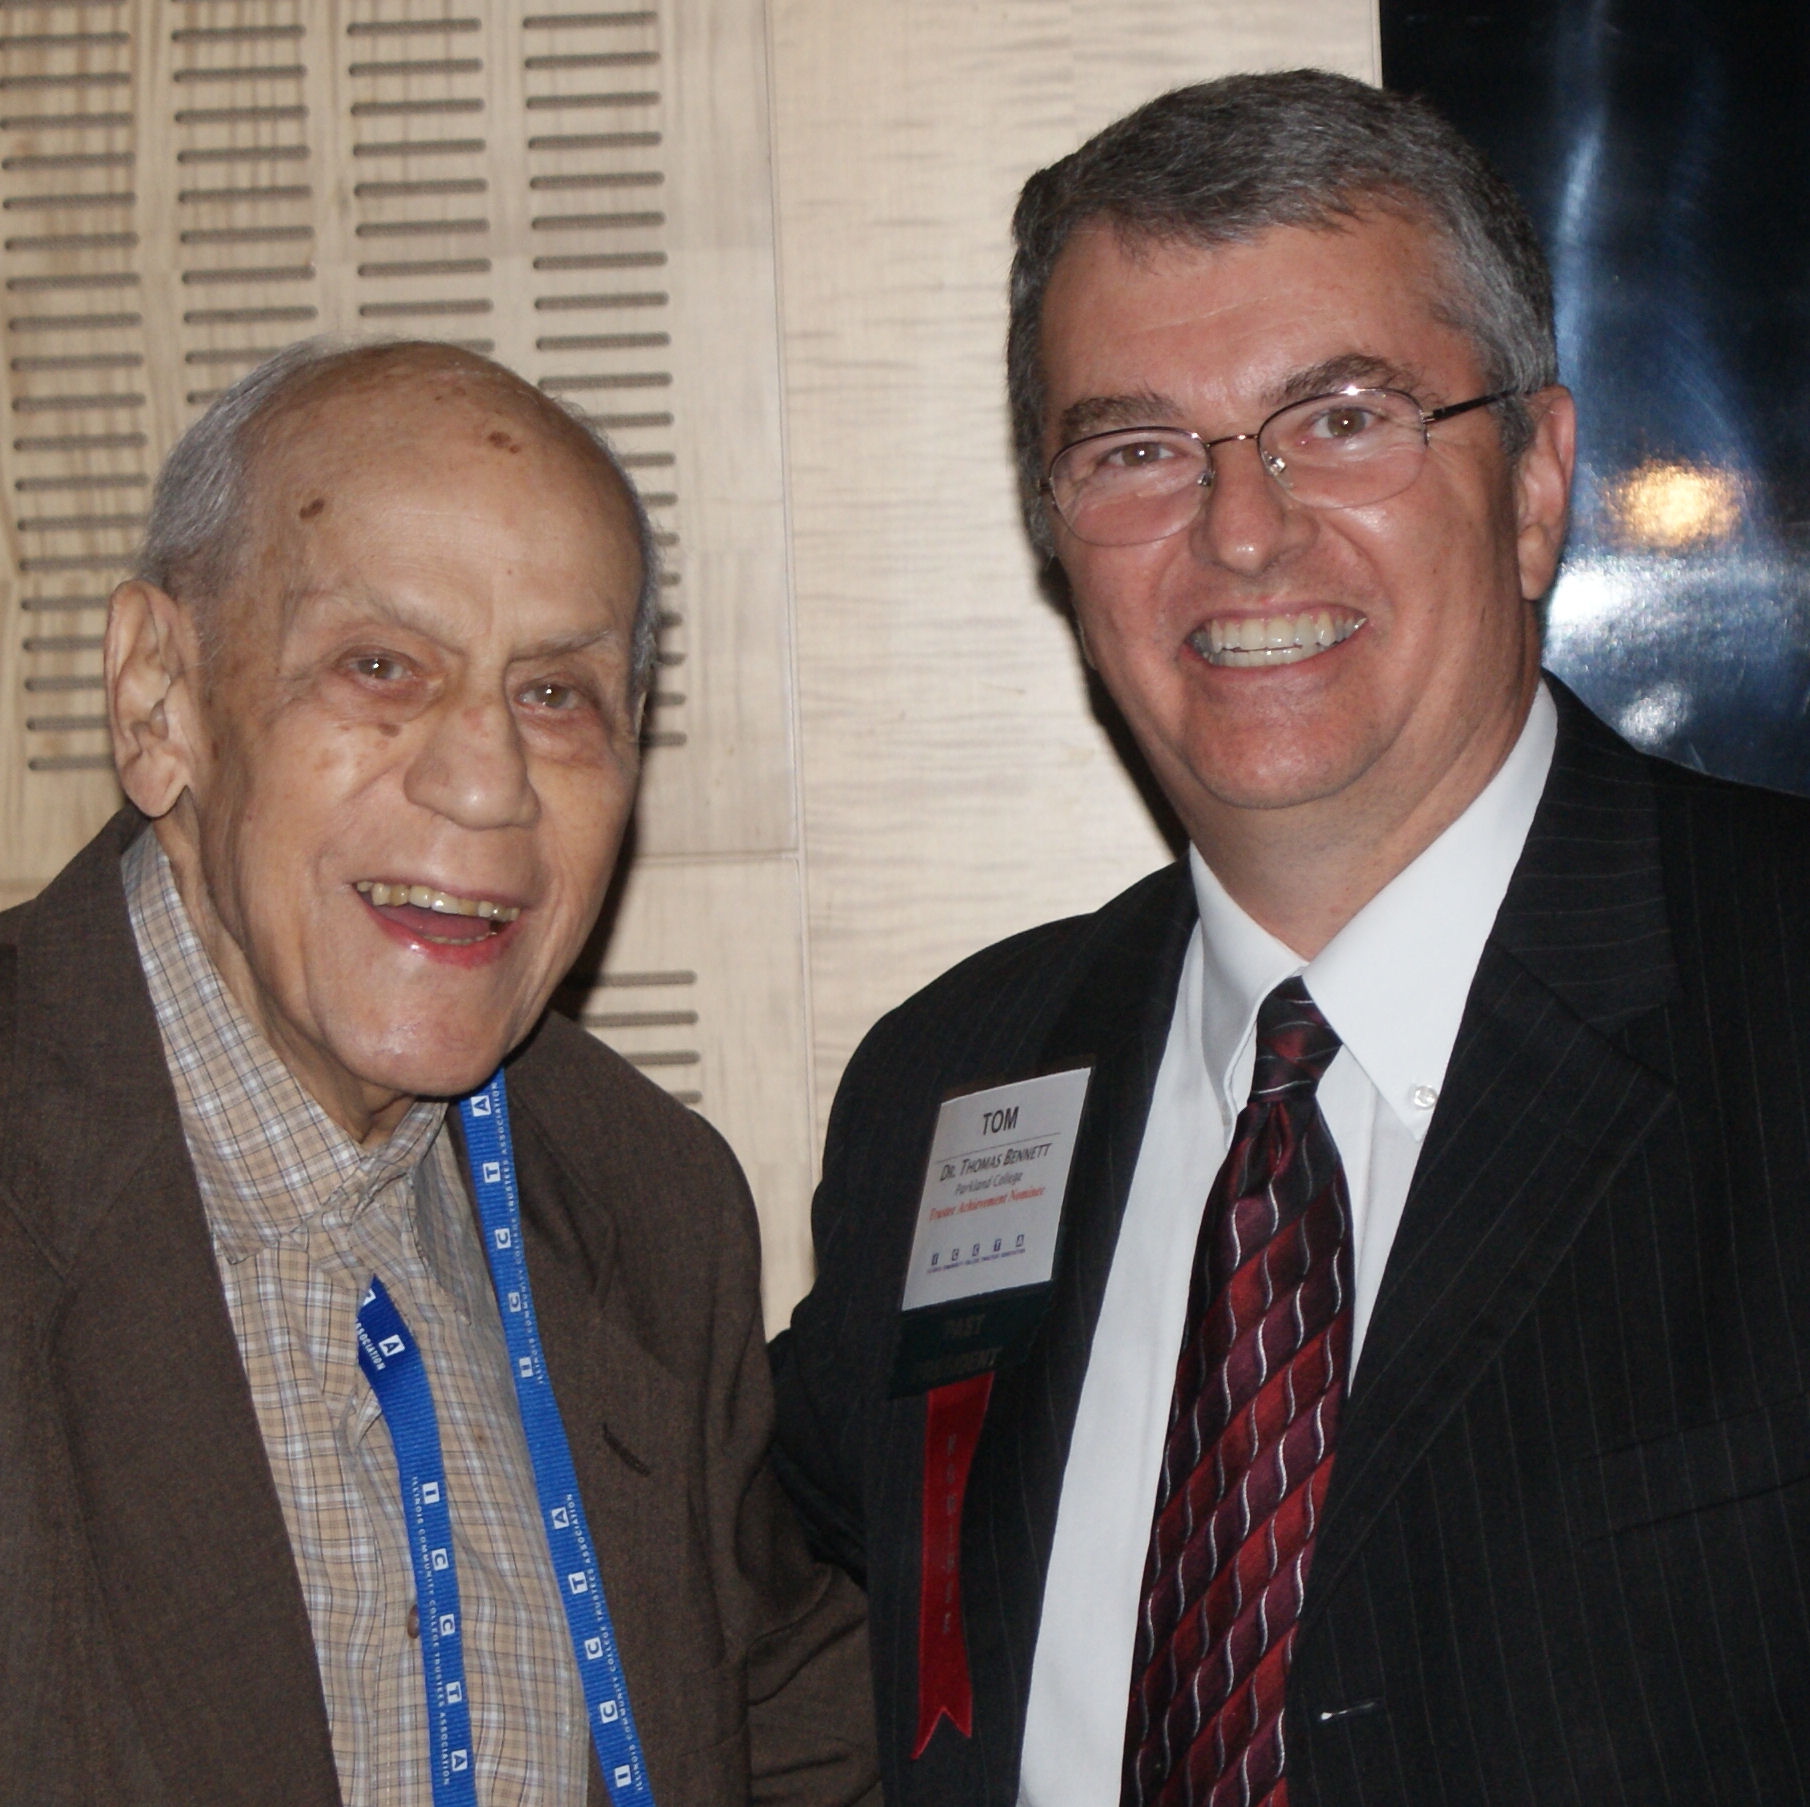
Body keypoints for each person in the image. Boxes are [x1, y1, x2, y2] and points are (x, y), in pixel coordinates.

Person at [768, 69, 1810, 1807]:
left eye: (1341, 417)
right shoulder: (950, 1089)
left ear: (1537, 480)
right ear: (1057, 543)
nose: (1238, 530)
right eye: (1135, 450)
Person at [0, 339, 878, 1806]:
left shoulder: (648, 1205)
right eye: (379, 667)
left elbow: (789, 1731)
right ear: (160, 697)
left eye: (557, 696)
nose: (484, 781)